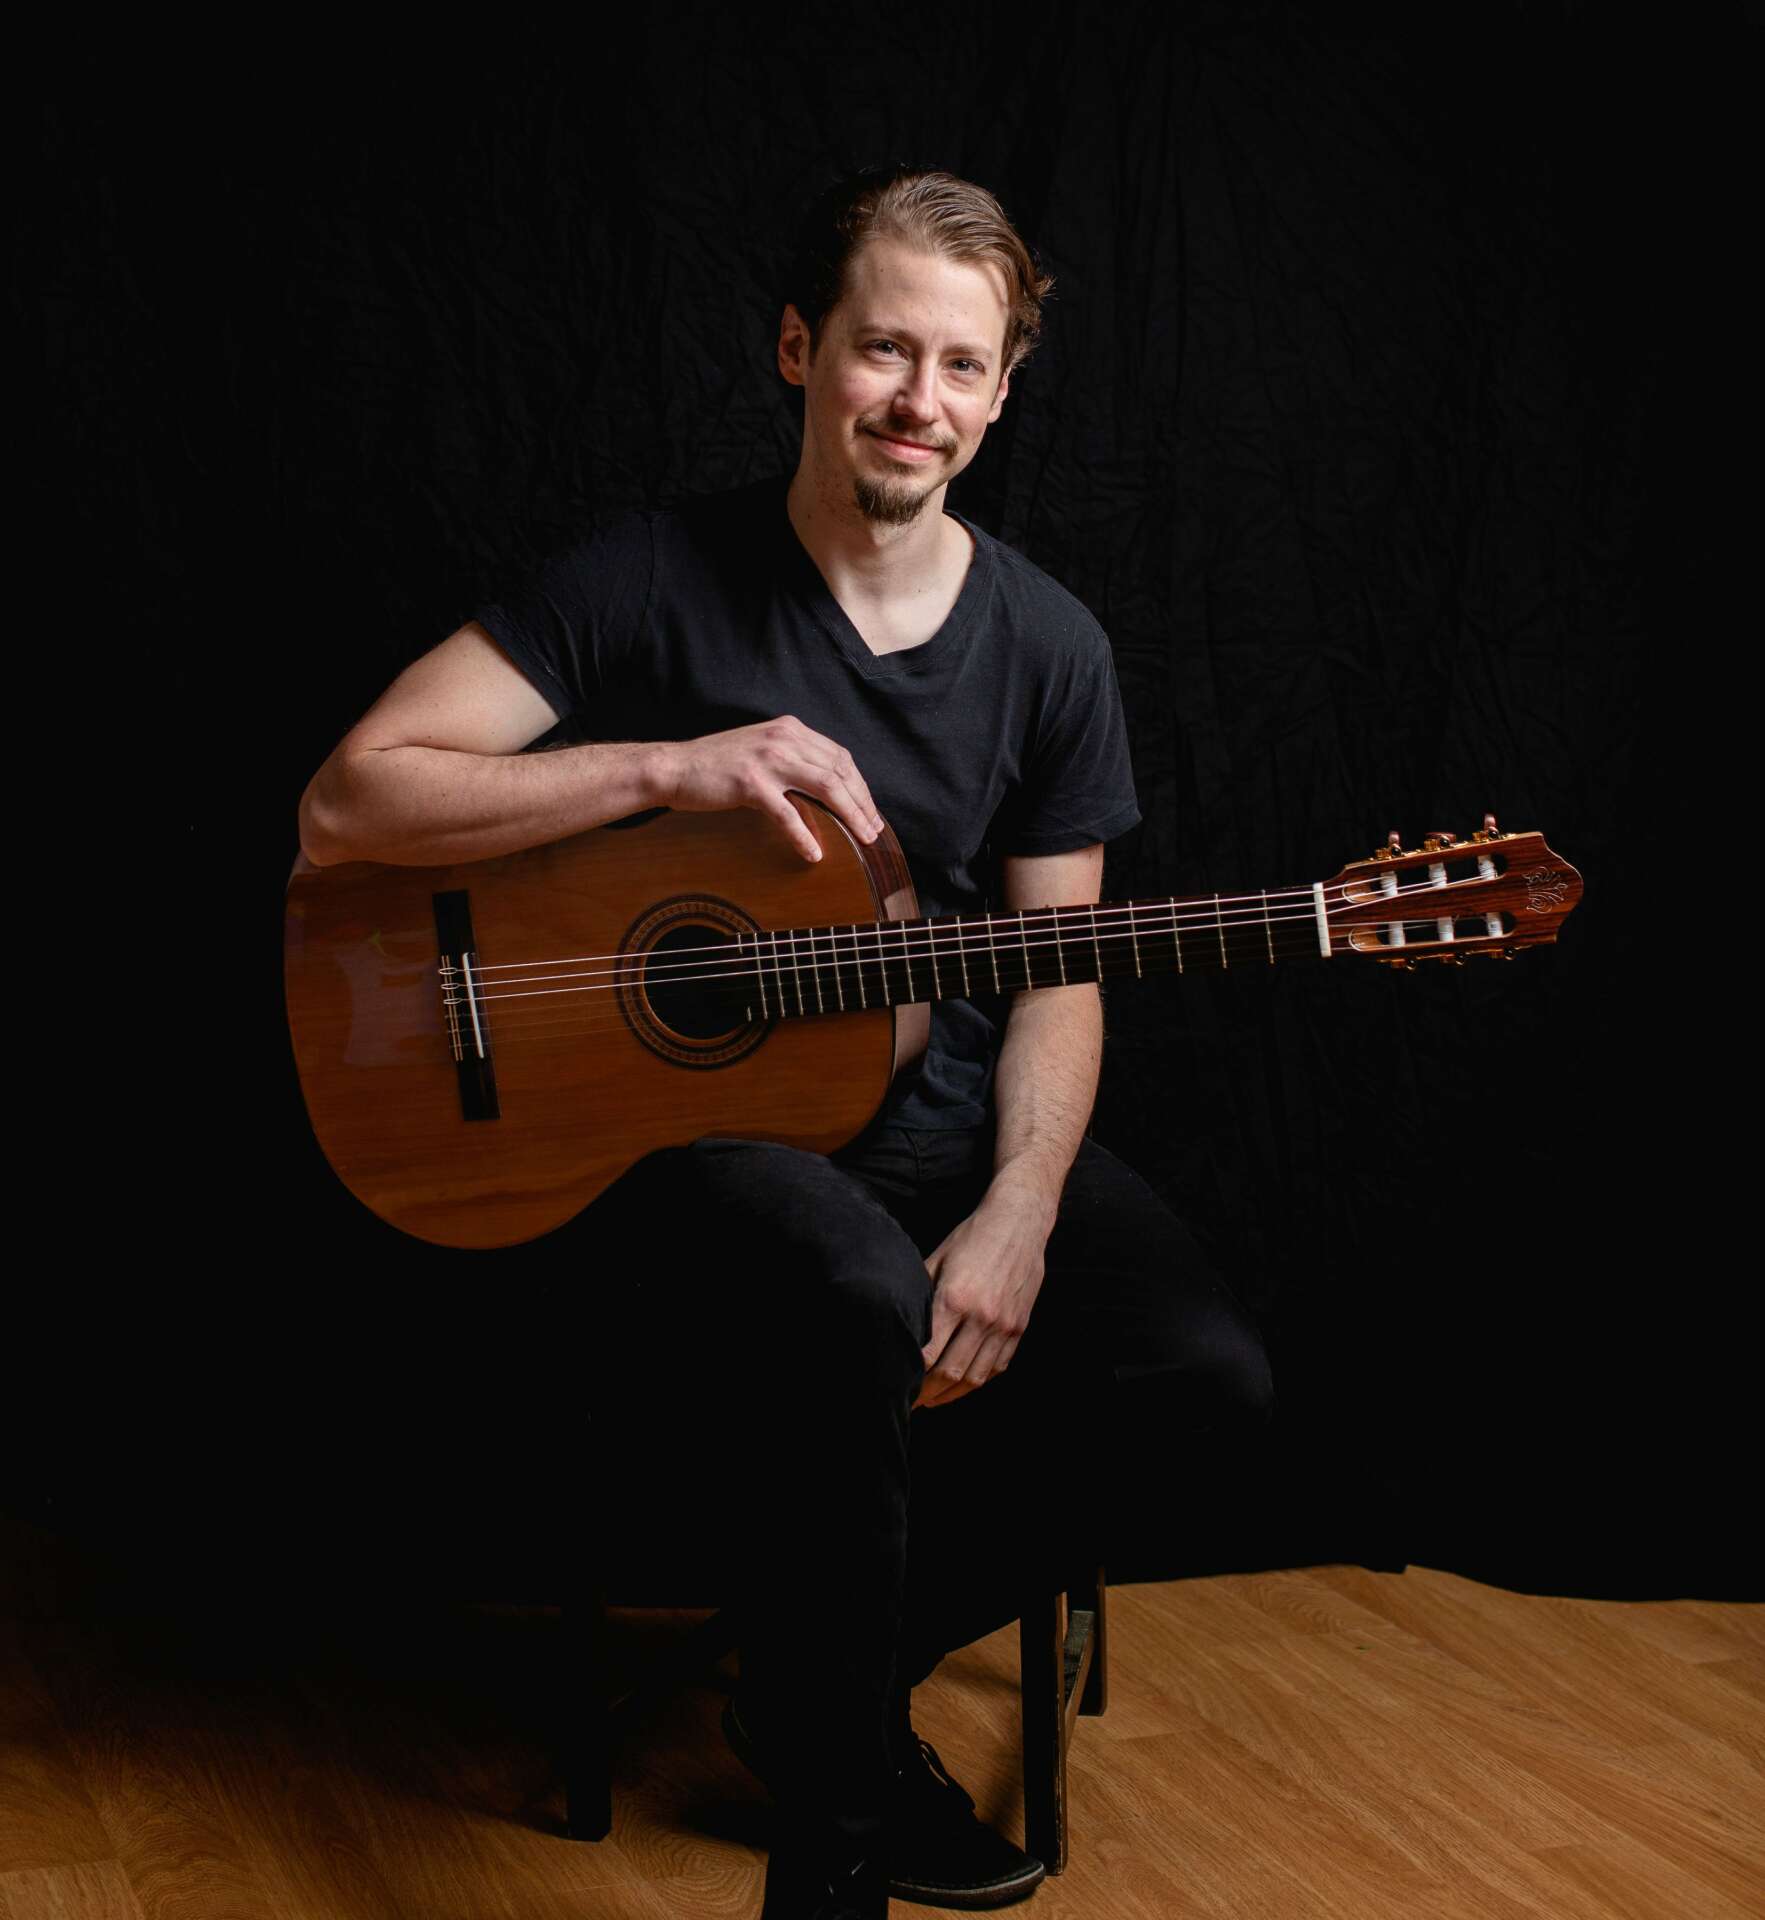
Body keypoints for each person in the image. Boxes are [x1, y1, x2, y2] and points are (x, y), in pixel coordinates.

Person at [299, 168, 1273, 1920]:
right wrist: (667, 766)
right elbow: (348, 805)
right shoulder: (650, 575)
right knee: (851, 1291)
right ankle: (833, 1859)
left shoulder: (1048, 646)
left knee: (1202, 1377)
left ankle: (817, 1680)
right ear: (796, 348)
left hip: (936, 1101)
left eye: (961, 366)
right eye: (883, 348)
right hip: (672, 1135)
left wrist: (1019, 1208)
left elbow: (1058, 970)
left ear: (1000, 395)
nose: (918, 398)